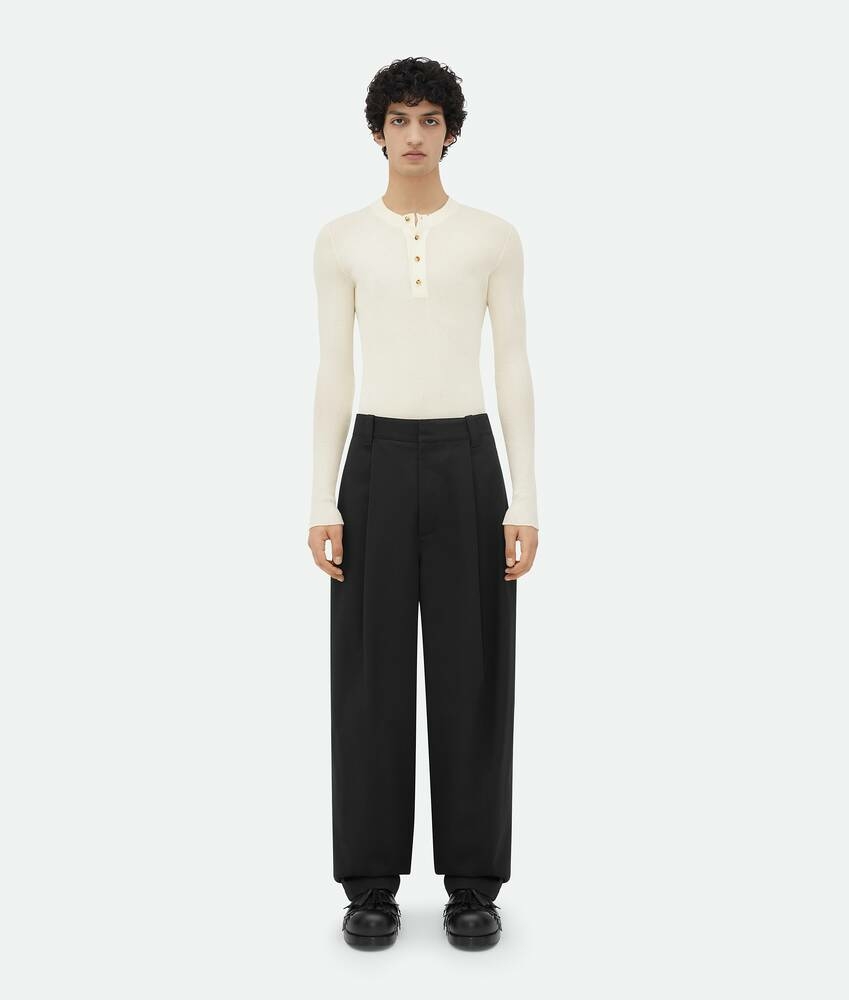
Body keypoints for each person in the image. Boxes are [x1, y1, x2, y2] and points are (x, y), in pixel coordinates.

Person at [306, 56, 540, 950]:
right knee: (368, 676)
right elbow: (333, 369)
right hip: (372, 461)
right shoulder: (341, 240)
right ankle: (368, 884)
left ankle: (473, 884)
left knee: (473, 672)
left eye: (429, 120)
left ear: (451, 132)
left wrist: (524, 500)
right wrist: (321, 499)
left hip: (466, 460)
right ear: (377, 131)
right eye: (399, 119)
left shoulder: (492, 238)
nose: (413, 135)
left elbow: (512, 362)